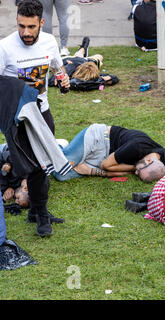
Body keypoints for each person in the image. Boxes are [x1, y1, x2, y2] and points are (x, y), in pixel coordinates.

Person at [0, 0, 70, 237]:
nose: (26, 33)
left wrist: (63, 80)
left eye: (31, 27)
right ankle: (41, 216)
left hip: (42, 112)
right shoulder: (5, 47)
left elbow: (58, 69)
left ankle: (35, 212)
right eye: (21, 26)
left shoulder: (50, 41)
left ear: (41, 22)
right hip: (18, 118)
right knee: (37, 165)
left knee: (43, 162)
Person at [53, 124, 165, 183]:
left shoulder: (161, 157)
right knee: (60, 168)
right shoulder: (135, 147)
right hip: (98, 139)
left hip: (107, 156)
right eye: (138, 171)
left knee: (61, 175)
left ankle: (72, 155)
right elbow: (105, 165)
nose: (135, 173)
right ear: (148, 160)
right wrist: (93, 172)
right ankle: (59, 146)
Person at [49, 37, 119, 90]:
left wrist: (109, 78)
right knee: (96, 56)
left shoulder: (93, 76)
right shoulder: (70, 69)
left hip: (84, 61)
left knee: (96, 56)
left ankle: (83, 48)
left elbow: (114, 78)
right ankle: (83, 48)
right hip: (72, 60)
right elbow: (53, 79)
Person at [0, 144, 29, 208]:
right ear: (26, 188)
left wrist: (5, 189)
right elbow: (6, 155)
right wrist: (7, 164)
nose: (15, 201)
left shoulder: (19, 189)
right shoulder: (27, 170)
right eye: (18, 199)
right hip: (7, 150)